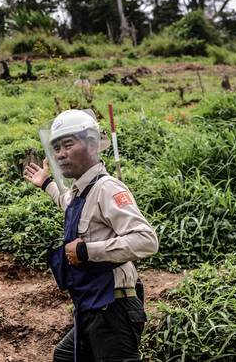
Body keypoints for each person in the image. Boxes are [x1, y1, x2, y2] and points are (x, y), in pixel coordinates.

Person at [23, 109, 159, 362]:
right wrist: (46, 183)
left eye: (68, 145)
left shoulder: (107, 188)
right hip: (92, 305)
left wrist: (87, 251)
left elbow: (146, 240)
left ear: (93, 144)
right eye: (56, 148)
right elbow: (68, 205)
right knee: (65, 356)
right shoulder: (81, 192)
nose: (61, 154)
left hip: (114, 309)